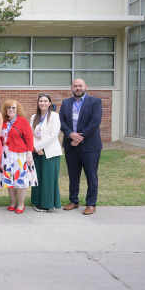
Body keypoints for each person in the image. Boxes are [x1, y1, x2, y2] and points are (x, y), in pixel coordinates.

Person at [59, 78, 102, 215]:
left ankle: (91, 203)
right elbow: (61, 121)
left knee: (91, 175)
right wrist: (71, 134)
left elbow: (95, 122)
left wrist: (80, 137)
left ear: (85, 87)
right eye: (75, 86)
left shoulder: (95, 102)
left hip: (90, 146)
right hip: (71, 145)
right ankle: (73, 201)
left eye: (80, 86)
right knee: (73, 175)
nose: (78, 88)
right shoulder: (66, 103)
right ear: (71, 88)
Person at [0, 99, 38, 214]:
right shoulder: (4, 122)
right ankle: (13, 202)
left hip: (20, 154)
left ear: (17, 109)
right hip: (6, 155)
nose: (11, 110)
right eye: (8, 108)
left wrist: (30, 154)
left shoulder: (22, 121)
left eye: (13, 108)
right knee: (9, 179)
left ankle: (21, 204)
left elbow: (29, 138)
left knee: (20, 179)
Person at [30, 94, 62, 212]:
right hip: (37, 153)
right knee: (38, 178)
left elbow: (53, 135)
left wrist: (39, 146)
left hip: (50, 152)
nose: (43, 103)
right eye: (41, 101)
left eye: (45, 101)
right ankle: (37, 202)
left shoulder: (54, 116)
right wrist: (35, 148)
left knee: (48, 178)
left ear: (49, 103)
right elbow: (30, 134)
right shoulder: (34, 117)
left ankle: (47, 204)